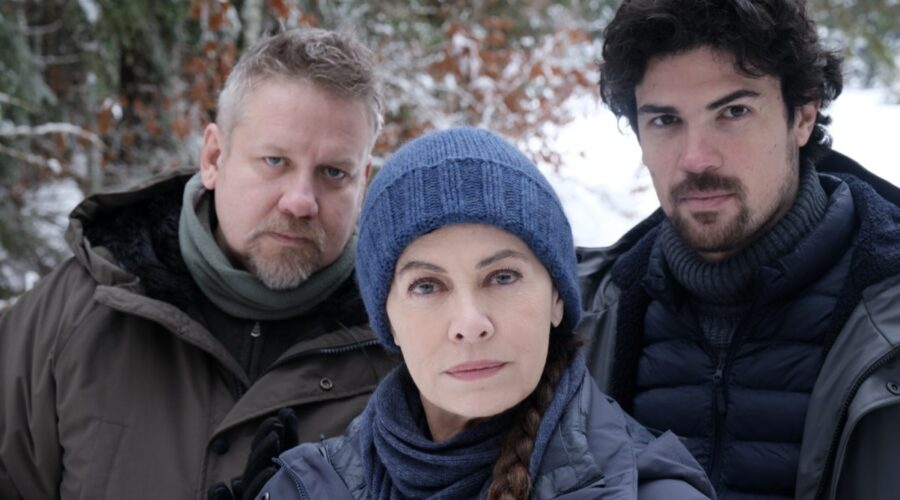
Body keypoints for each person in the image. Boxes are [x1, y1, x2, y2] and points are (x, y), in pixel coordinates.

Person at [0, 29, 396, 500]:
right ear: (214, 157)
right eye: (274, 161)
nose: (301, 201)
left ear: (363, 180)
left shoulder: (404, 348)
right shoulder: (74, 314)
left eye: (334, 173)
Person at [250, 127, 715, 500]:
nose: (470, 323)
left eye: (502, 277)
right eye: (427, 286)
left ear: (557, 296)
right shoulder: (306, 487)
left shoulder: (649, 490)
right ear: (386, 317)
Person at [578, 1, 900, 499]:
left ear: (803, 117)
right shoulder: (579, 322)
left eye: (733, 112)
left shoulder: (889, 321)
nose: (696, 158)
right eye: (665, 120)